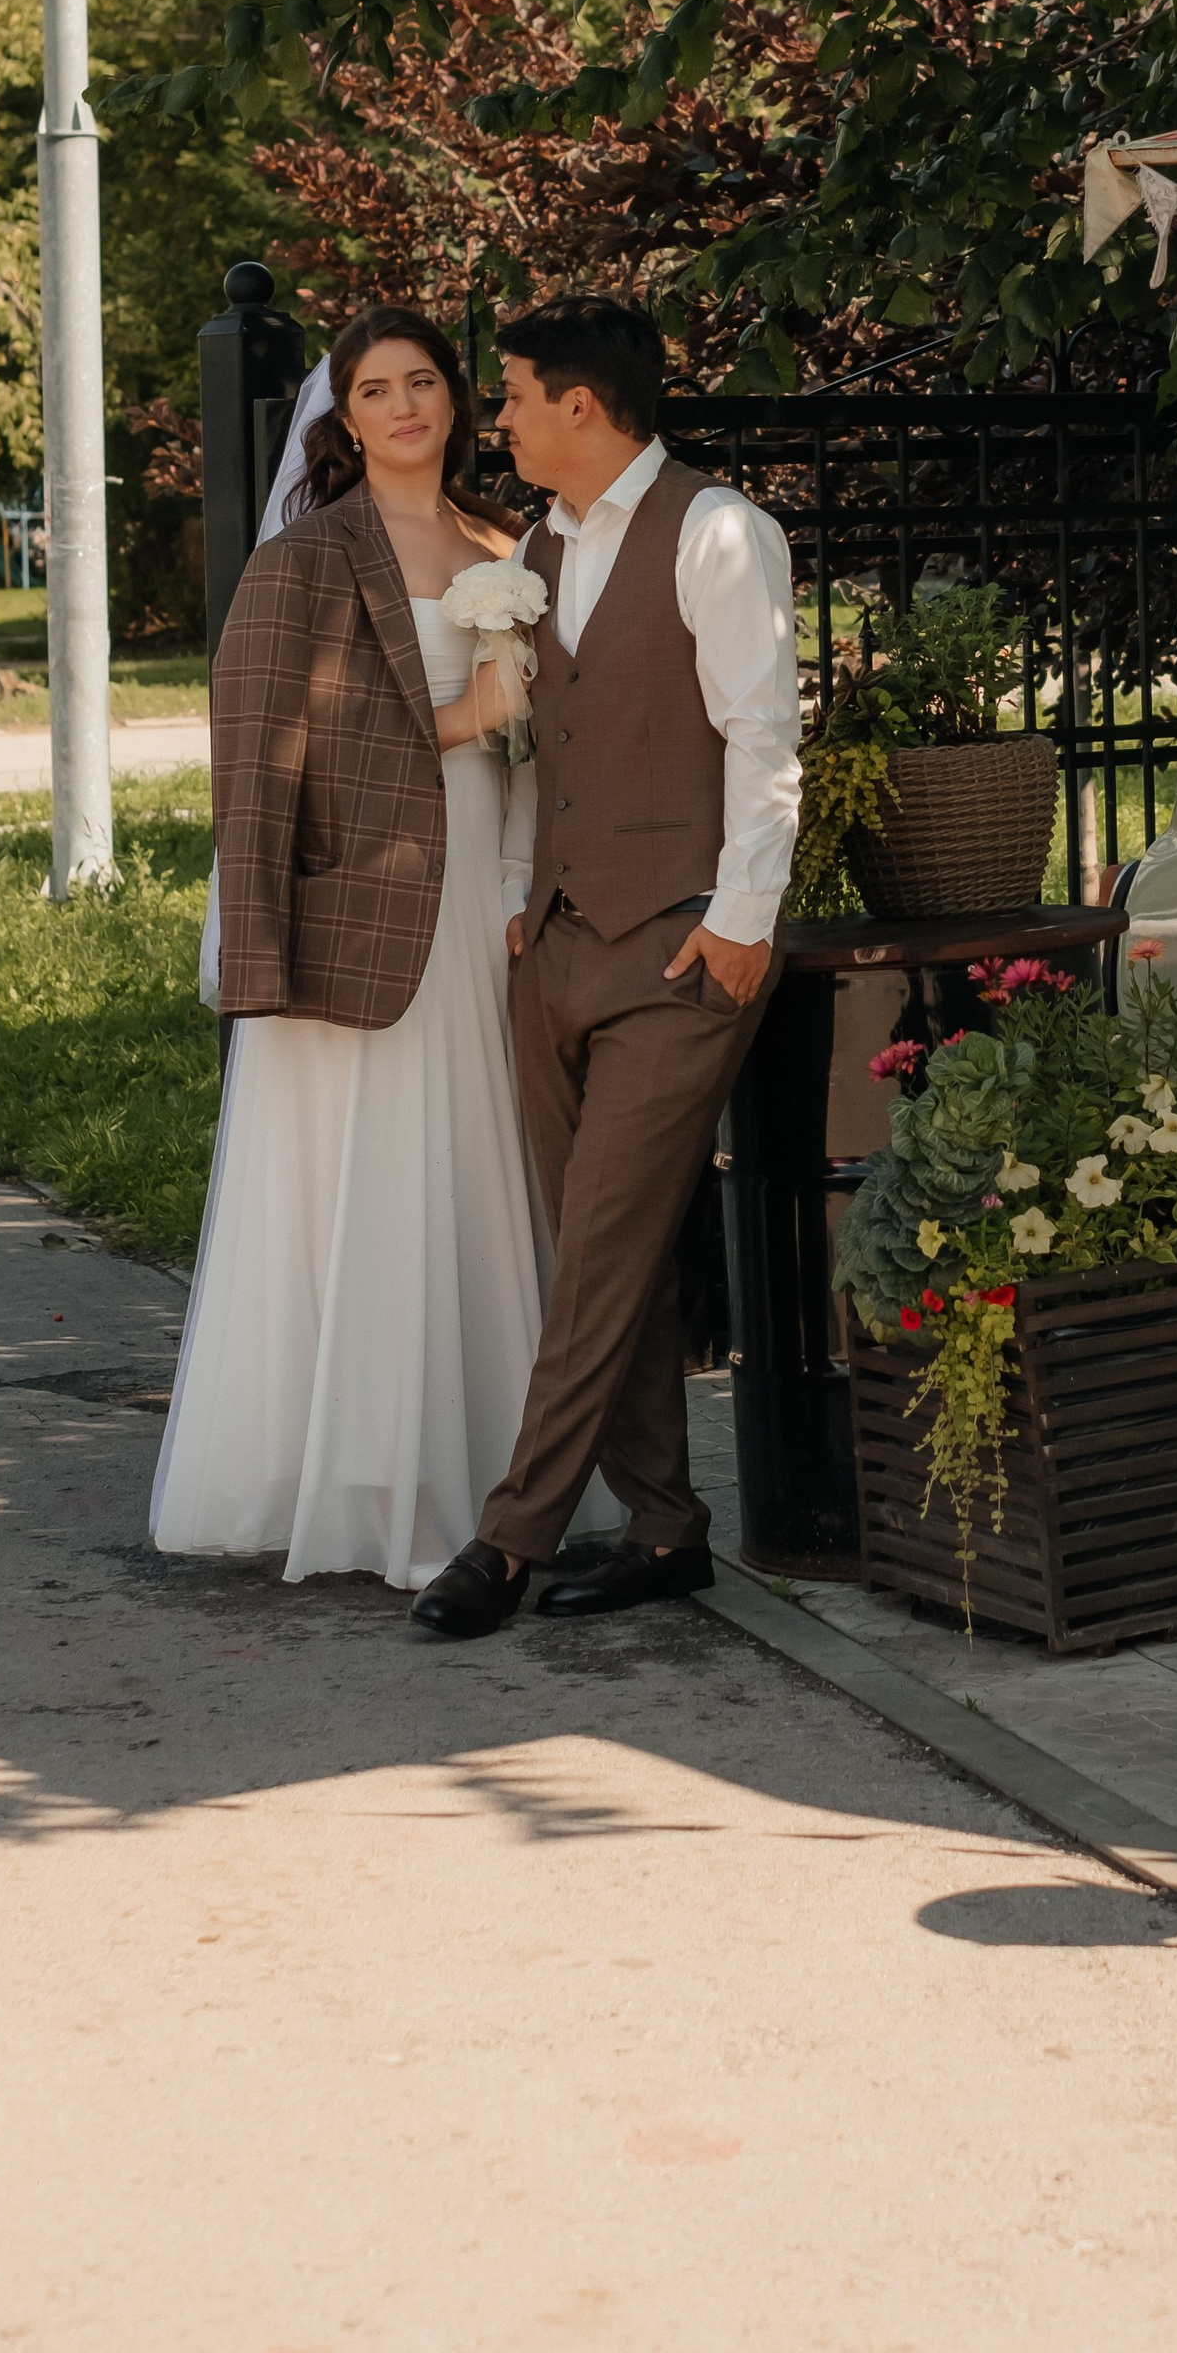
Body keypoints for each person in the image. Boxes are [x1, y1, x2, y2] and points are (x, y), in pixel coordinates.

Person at [151, 304, 619, 1592]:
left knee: (476, 1158)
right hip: (358, 906)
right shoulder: (306, 559)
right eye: (376, 389)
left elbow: (551, 740)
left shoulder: (510, 543)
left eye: (425, 382)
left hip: (486, 893)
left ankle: (489, 1476)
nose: (406, 406)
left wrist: (533, 856)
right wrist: (466, 717)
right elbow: (264, 757)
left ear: (461, 401)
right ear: (342, 418)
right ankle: (378, 1493)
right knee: (373, 1174)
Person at [410, 295, 801, 1635]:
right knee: (604, 1248)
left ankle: (509, 1542)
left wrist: (744, 919)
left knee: (592, 1253)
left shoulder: (719, 535)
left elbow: (763, 736)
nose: (496, 415)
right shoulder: (534, 543)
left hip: (685, 947)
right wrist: (524, 897)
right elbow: (544, 743)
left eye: (510, 393)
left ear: (581, 406)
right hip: (560, 950)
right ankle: (663, 1529)